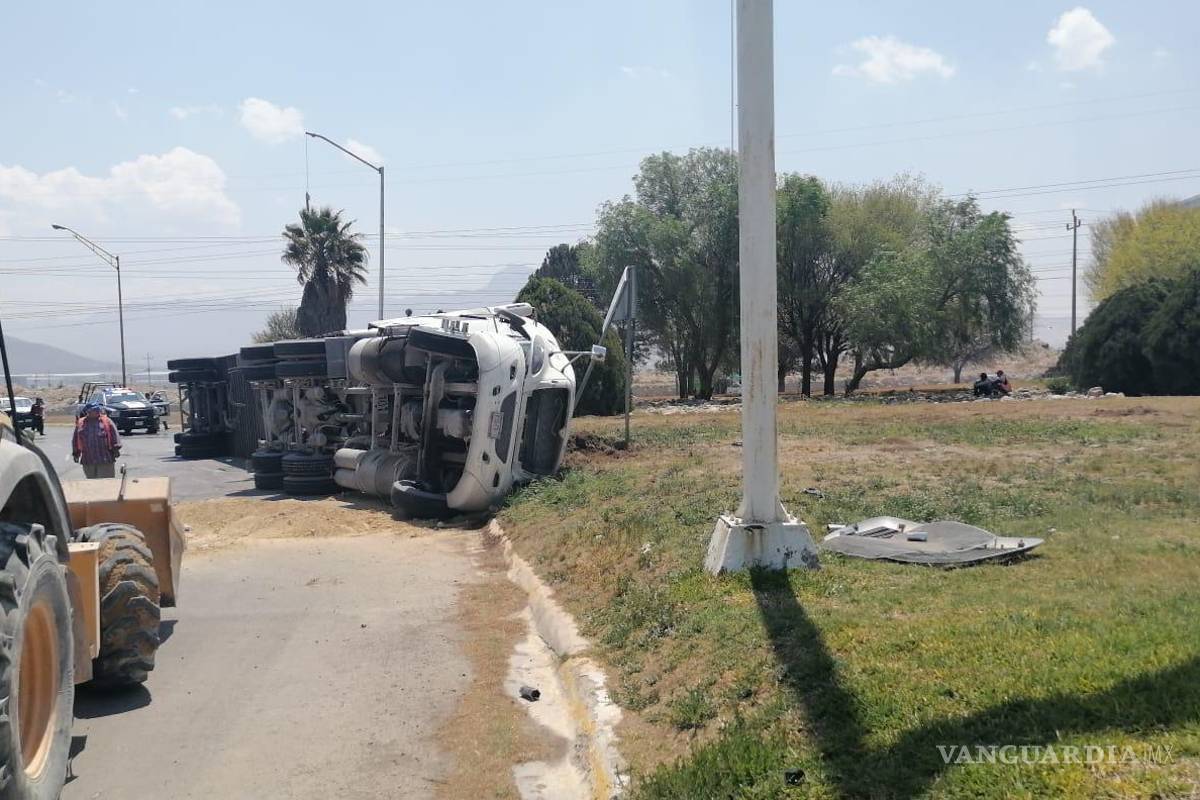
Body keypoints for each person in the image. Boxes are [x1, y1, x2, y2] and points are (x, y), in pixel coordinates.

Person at [72, 402, 121, 478]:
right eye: (93, 410)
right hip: (88, 460)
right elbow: (76, 439)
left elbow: (114, 435)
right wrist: (76, 453)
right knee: (92, 484)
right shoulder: (81, 423)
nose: (96, 411)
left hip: (105, 460)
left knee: (106, 483)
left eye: (97, 409)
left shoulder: (106, 421)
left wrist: (116, 449)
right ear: (87, 412)